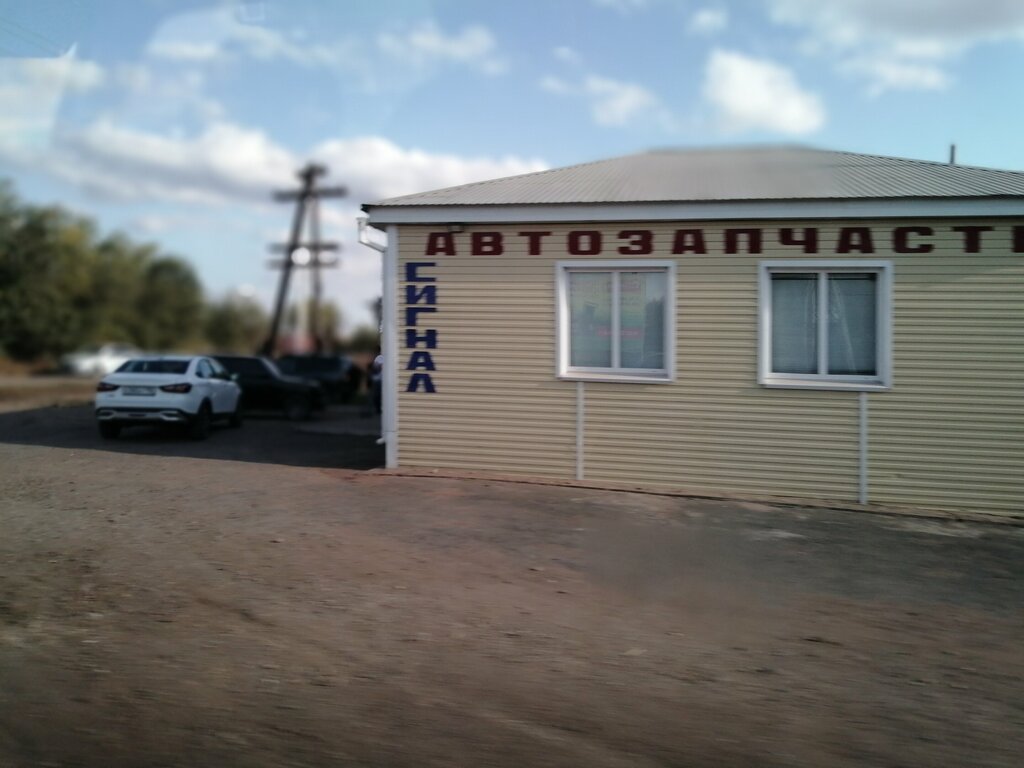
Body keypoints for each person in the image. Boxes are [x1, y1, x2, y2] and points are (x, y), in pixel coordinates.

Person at [370, 346, 384, 444]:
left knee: (379, 395)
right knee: (377, 396)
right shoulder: (378, 358)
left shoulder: (382, 357)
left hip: (381, 380)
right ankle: (378, 409)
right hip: (378, 379)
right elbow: (375, 369)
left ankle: (380, 409)